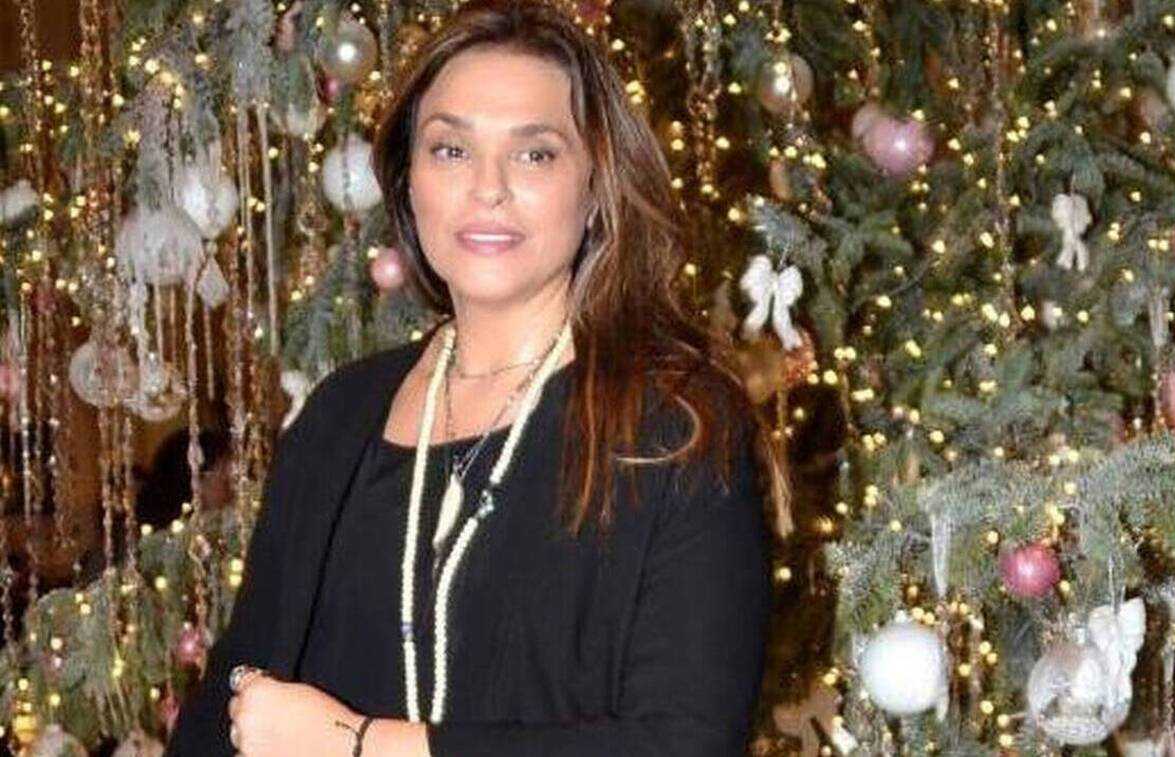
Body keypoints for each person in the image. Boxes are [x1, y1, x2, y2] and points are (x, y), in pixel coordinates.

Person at [167, 0, 791, 754]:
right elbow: (232, 699)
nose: (487, 187)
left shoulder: (675, 427)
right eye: (451, 150)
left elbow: (685, 743)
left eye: (535, 155)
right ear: (409, 179)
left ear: (596, 186)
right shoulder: (339, 415)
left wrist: (363, 744)